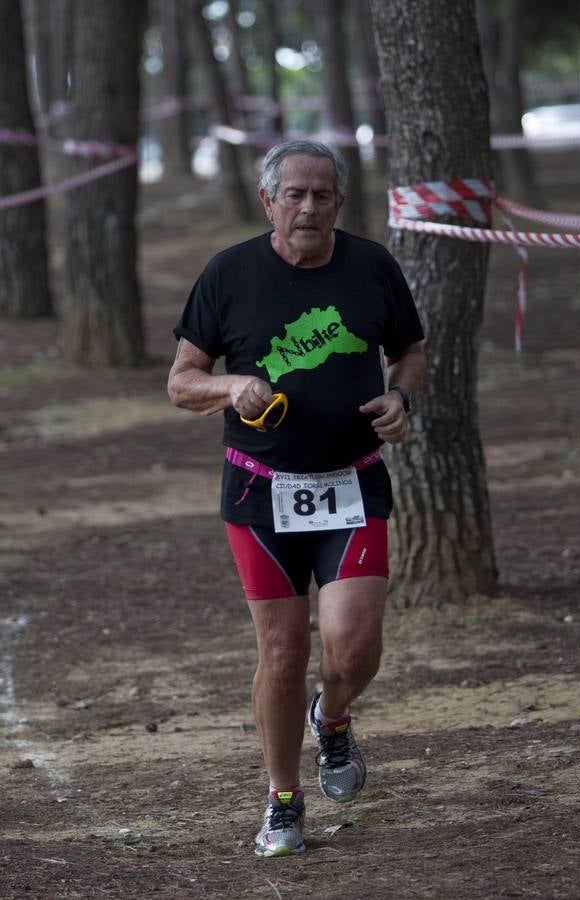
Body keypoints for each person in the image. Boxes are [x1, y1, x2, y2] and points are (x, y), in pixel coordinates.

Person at [167, 140, 427, 858]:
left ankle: (334, 716)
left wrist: (401, 395)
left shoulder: (371, 266)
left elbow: (411, 351)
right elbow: (182, 380)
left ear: (339, 202)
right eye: (294, 194)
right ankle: (283, 799)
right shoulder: (229, 273)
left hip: (352, 481)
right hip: (260, 490)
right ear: (267, 200)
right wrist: (228, 386)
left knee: (354, 644)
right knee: (282, 651)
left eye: (322, 195)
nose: (308, 207)